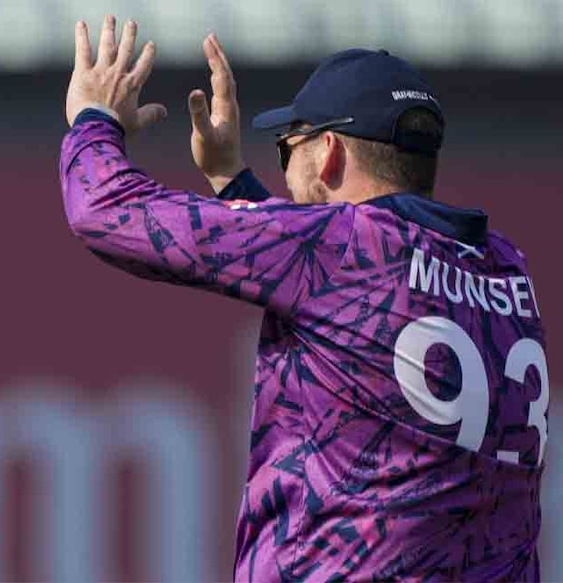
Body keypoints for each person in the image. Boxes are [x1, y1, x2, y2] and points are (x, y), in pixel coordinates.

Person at [61, 15, 544, 581]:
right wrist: (232, 181)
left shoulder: (340, 247)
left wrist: (93, 119)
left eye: (288, 147)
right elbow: (344, 292)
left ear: (330, 152)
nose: (285, 166)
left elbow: (105, 211)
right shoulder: (506, 268)